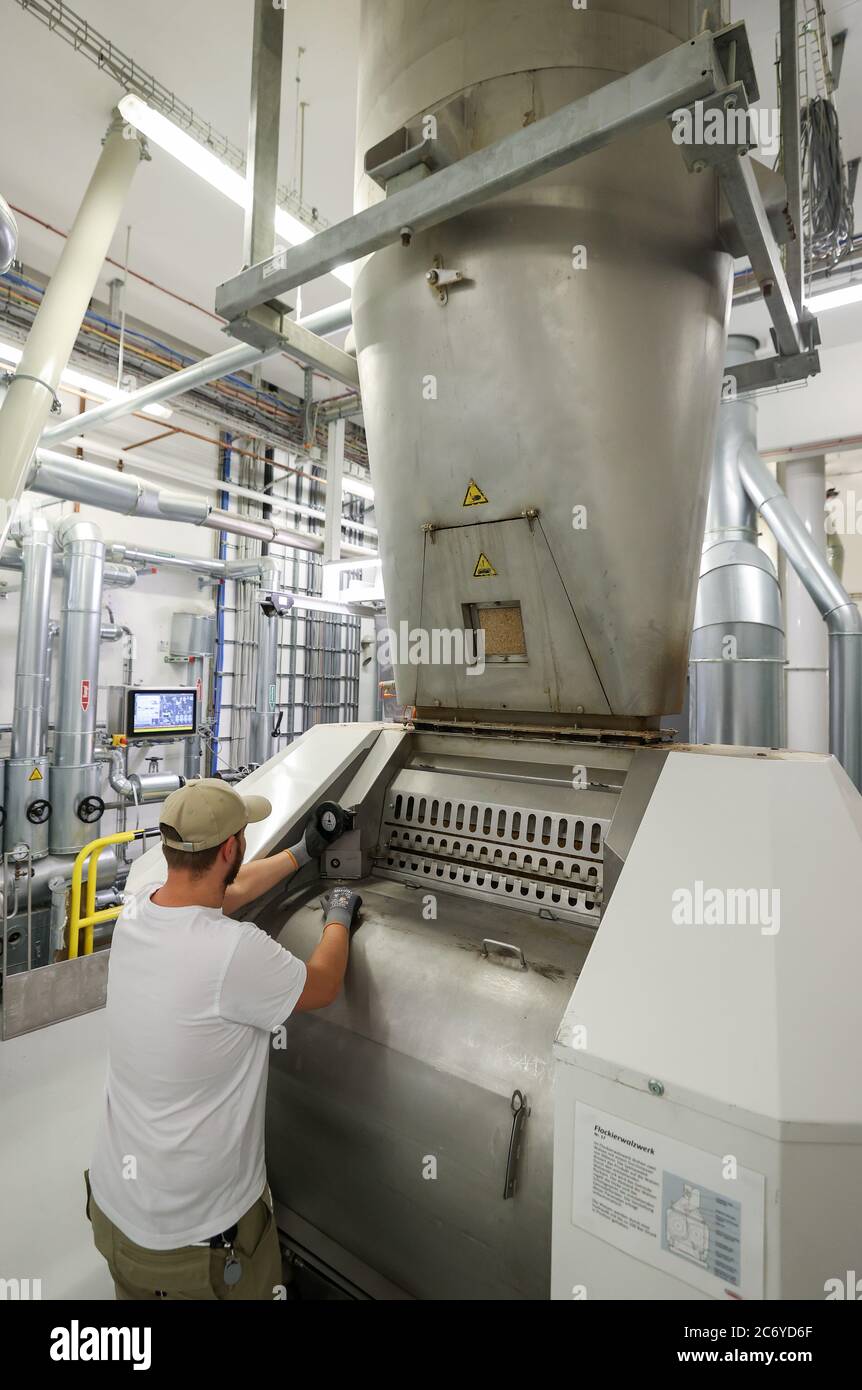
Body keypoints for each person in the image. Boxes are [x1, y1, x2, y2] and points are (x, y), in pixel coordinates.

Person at [85, 778, 361, 1301]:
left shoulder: (138, 910)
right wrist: (338, 917)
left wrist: (302, 852)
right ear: (232, 848)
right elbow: (323, 985)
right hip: (201, 1252)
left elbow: (227, 893)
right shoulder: (234, 953)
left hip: (115, 1218)